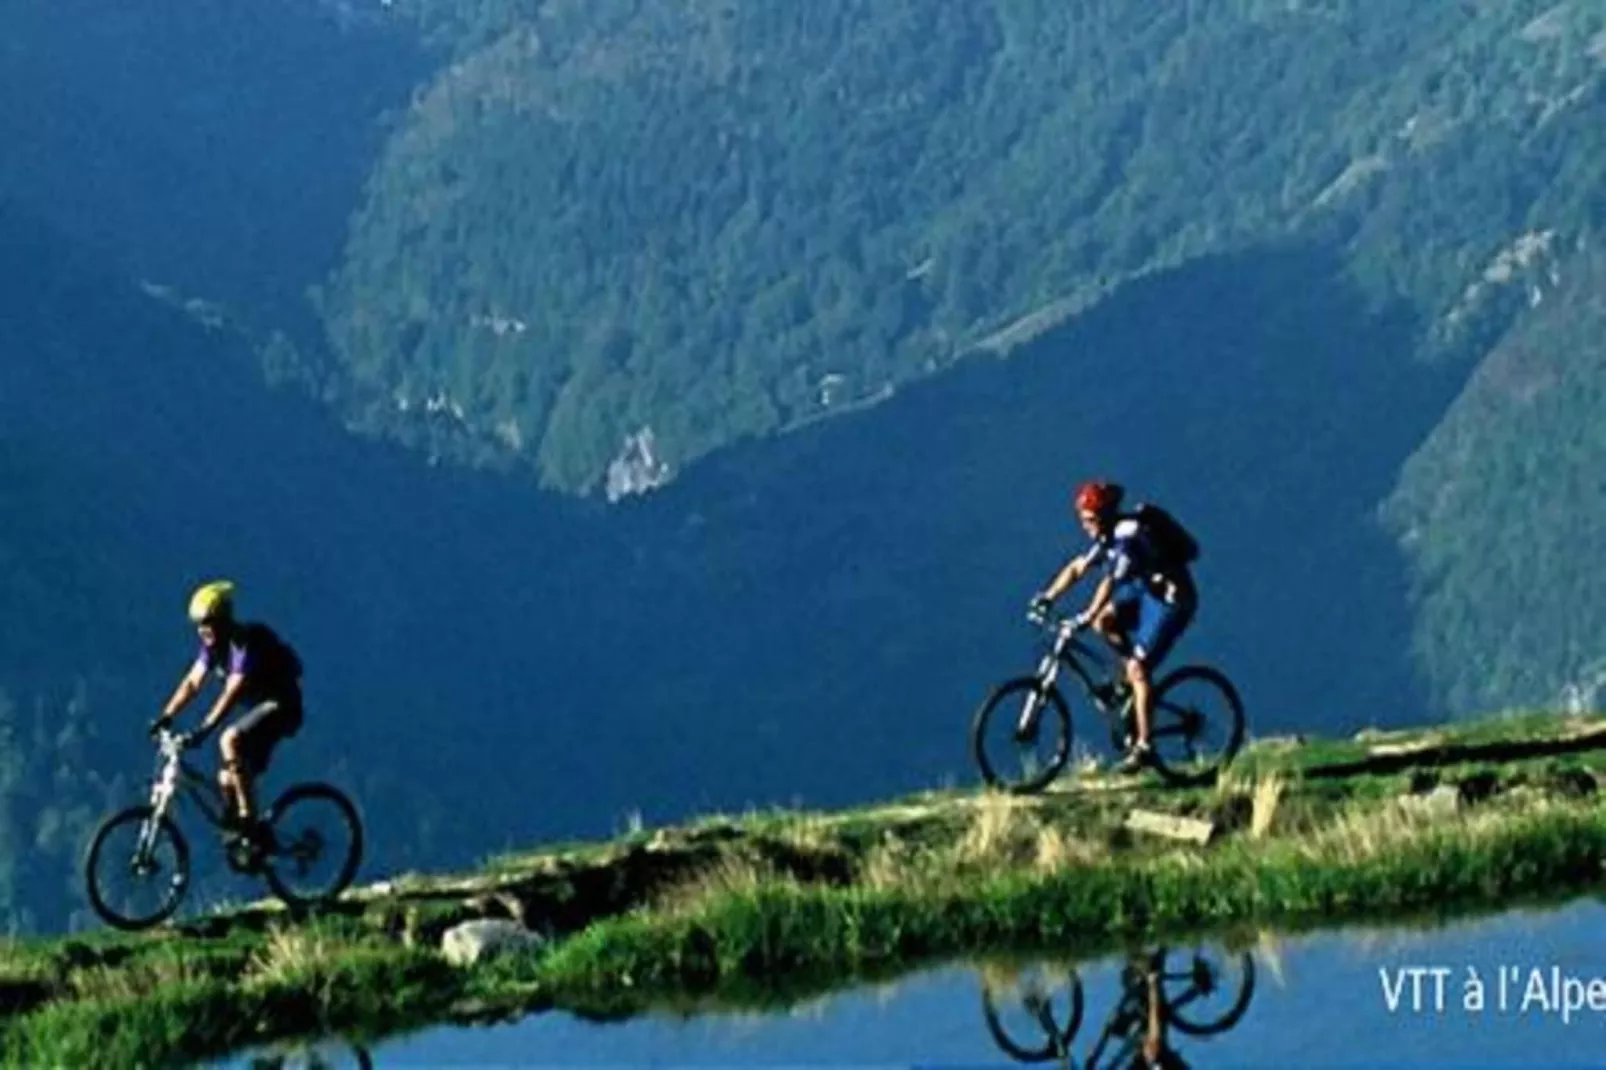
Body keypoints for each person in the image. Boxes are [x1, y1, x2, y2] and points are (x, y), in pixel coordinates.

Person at [1030, 480, 1198, 773]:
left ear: (1105, 515)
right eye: (1082, 519)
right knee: (1105, 621)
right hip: (1147, 591)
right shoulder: (1107, 535)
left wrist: (1085, 614)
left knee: (1138, 669)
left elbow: (1109, 582)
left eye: (1090, 519)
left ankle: (1145, 746)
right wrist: (1047, 597)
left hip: (1172, 600)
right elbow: (1077, 568)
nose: (1085, 525)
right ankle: (1128, 684)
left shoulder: (1126, 536)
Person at [151, 580, 304, 841]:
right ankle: (248, 842)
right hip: (260, 708)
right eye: (199, 624)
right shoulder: (212, 648)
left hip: (282, 704)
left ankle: (248, 821)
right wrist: (166, 716)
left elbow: (232, 691)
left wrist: (204, 729)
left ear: (222, 621)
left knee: (229, 739)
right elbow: (192, 683)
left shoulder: (244, 644)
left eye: (207, 623)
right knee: (225, 778)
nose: (202, 630)